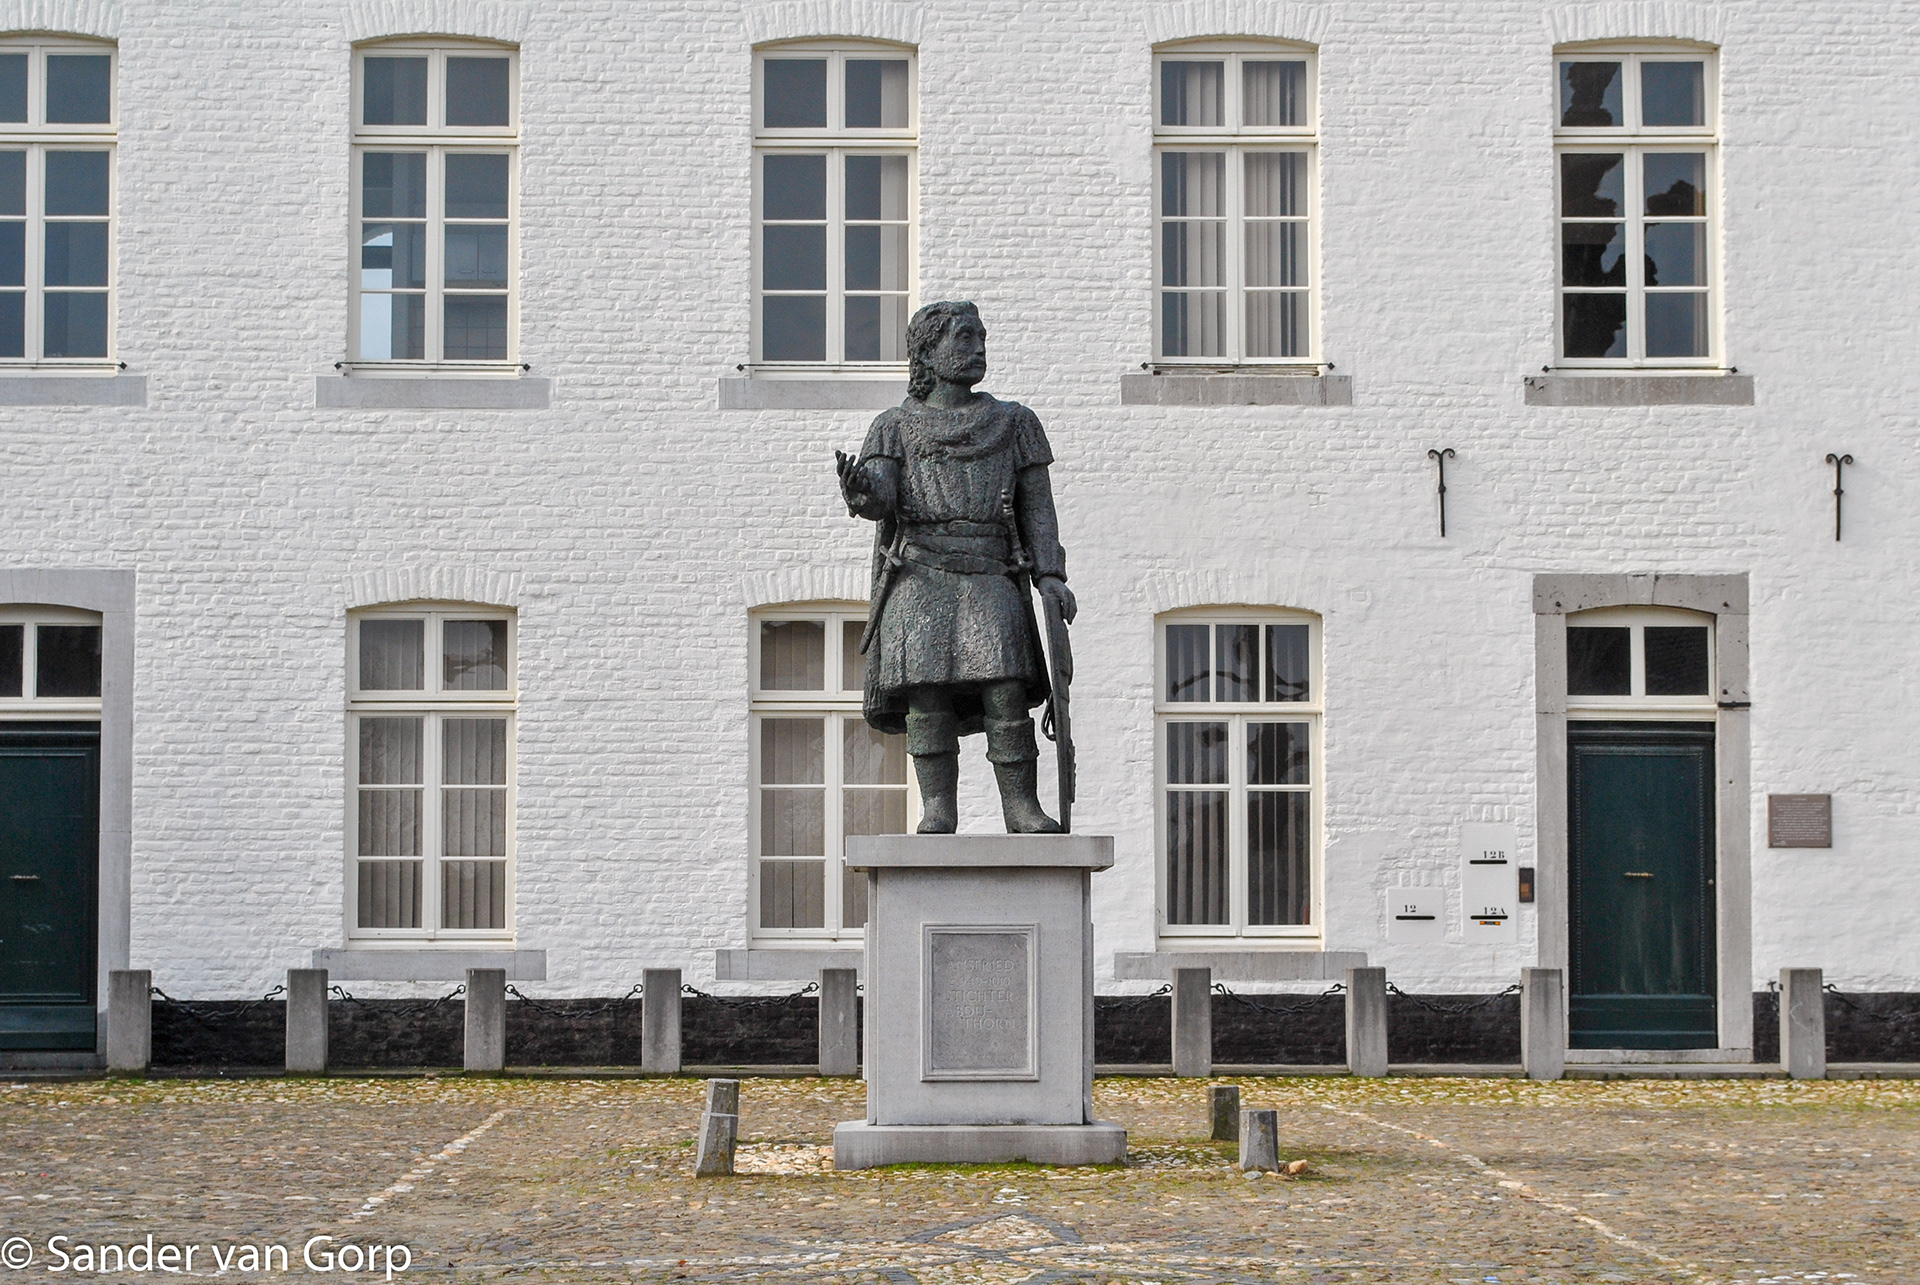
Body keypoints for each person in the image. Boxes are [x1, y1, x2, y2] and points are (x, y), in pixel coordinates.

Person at [835, 301, 1076, 833]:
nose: (978, 348)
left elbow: (1038, 507)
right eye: (964, 338)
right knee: (927, 697)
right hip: (920, 577)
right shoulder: (893, 426)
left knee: (1005, 690)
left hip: (989, 573)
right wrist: (862, 492)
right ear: (927, 351)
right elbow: (883, 498)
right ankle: (938, 807)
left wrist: (1050, 575)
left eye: (981, 337)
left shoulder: (1014, 422)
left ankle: (1022, 807)